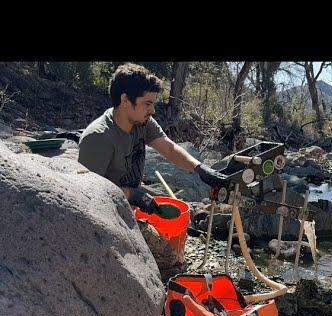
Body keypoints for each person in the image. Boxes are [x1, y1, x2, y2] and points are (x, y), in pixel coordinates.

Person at [78, 63, 227, 214]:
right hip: (104, 215)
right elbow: (90, 192)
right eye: (147, 104)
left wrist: (200, 168)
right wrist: (132, 194)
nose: (153, 110)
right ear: (125, 100)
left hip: (128, 209)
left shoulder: (142, 123)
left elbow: (169, 149)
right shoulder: (98, 137)